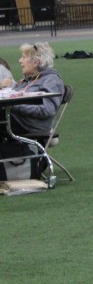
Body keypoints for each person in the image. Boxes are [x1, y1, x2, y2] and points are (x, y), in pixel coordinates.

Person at [0, 43, 65, 181]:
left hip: (30, 125)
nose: (20, 61)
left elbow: (46, 110)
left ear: (35, 62)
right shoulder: (28, 80)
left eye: (23, 57)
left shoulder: (51, 80)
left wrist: (12, 105)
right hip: (17, 121)